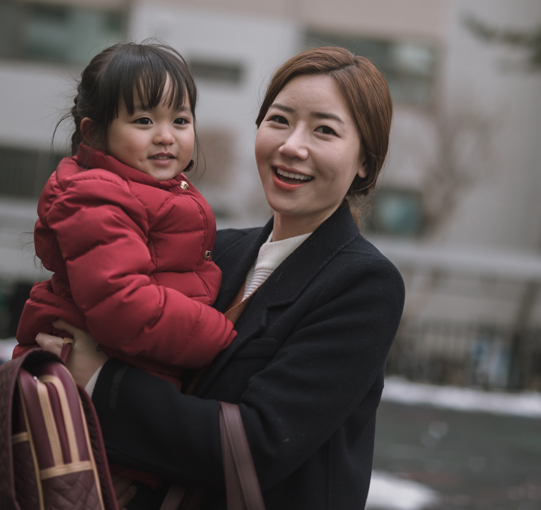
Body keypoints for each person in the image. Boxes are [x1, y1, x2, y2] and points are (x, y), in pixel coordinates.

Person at [39, 46, 406, 510]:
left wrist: (100, 380)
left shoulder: (364, 284)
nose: (292, 146)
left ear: (365, 161)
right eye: (279, 120)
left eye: (324, 130)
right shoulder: (217, 251)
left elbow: (259, 445)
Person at [15, 42, 236, 389]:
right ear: (94, 132)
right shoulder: (96, 195)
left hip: (130, 370)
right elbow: (122, 304)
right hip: (79, 387)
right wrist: (224, 338)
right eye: (144, 121)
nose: (166, 136)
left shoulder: (154, 190)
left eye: (180, 120)